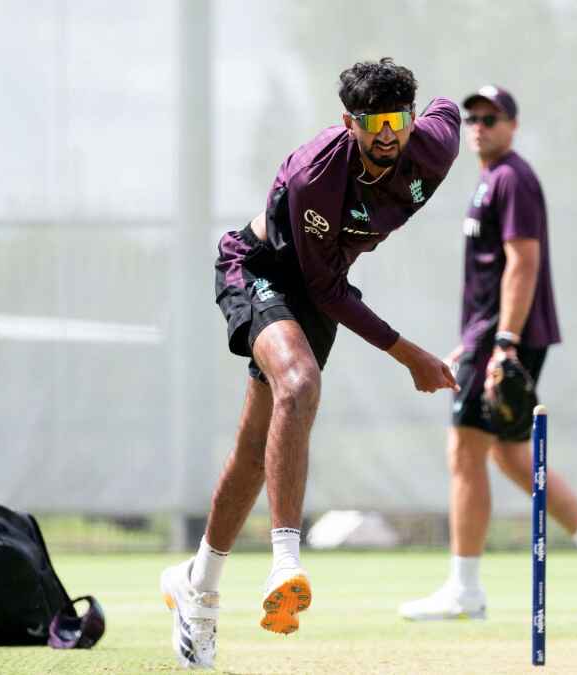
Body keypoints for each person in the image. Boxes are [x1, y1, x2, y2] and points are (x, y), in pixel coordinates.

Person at [159, 58, 461, 669]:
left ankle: (197, 585)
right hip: (261, 268)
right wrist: (411, 356)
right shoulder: (315, 177)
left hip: (323, 283)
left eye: (396, 121)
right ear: (350, 122)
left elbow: (447, 108)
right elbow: (322, 290)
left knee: (252, 452)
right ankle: (285, 562)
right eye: (373, 122)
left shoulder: (434, 144)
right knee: (298, 382)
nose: (387, 136)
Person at [398, 86, 577, 623]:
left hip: (507, 339)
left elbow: (523, 263)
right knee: (506, 454)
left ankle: (465, 590)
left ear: (513, 124)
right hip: (491, 335)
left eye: (491, 117)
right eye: (472, 118)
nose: (479, 126)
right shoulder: (491, 181)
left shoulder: (512, 178)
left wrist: (503, 342)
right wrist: (476, 338)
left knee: (464, 451)